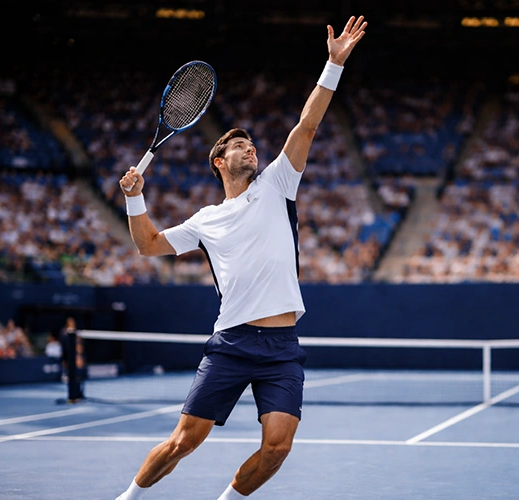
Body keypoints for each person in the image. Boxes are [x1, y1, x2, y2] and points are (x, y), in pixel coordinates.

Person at [114, 15, 367, 500]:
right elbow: (147, 244)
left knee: (278, 446)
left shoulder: (277, 183)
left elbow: (307, 125)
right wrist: (134, 198)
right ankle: (128, 498)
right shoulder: (205, 219)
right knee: (184, 441)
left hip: (282, 347)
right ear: (219, 161)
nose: (251, 149)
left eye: (252, 145)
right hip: (231, 342)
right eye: (239, 146)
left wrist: (332, 66)